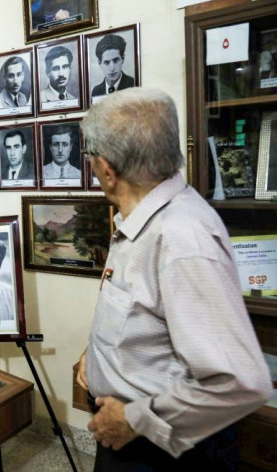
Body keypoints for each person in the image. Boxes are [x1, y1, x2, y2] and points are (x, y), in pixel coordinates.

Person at [75, 88, 272, 470]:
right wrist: (98, 353)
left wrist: (134, 419)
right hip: (127, 436)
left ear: (108, 170)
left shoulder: (182, 238)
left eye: (90, 159)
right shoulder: (145, 217)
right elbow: (144, 313)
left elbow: (240, 381)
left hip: (160, 452)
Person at [91, 34, 135, 99]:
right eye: (106, 62)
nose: (112, 68)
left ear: (123, 58)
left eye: (116, 60)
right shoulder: (96, 91)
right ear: (100, 63)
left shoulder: (133, 85)